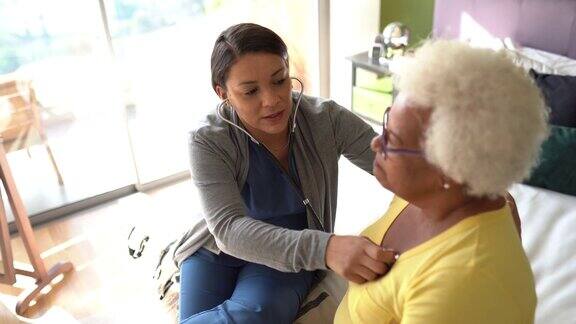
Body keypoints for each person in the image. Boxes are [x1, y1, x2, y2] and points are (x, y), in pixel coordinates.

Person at [173, 23, 398, 323]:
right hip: (215, 253)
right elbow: (227, 229)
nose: (272, 100)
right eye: (251, 91)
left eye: (279, 81)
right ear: (222, 93)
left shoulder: (326, 119)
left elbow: (394, 166)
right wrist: (329, 247)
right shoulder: (206, 139)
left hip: (290, 254)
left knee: (256, 314)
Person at [334, 40, 547, 323]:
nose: (375, 142)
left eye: (392, 140)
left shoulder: (464, 282)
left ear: (448, 167)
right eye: (385, 124)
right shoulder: (433, 194)